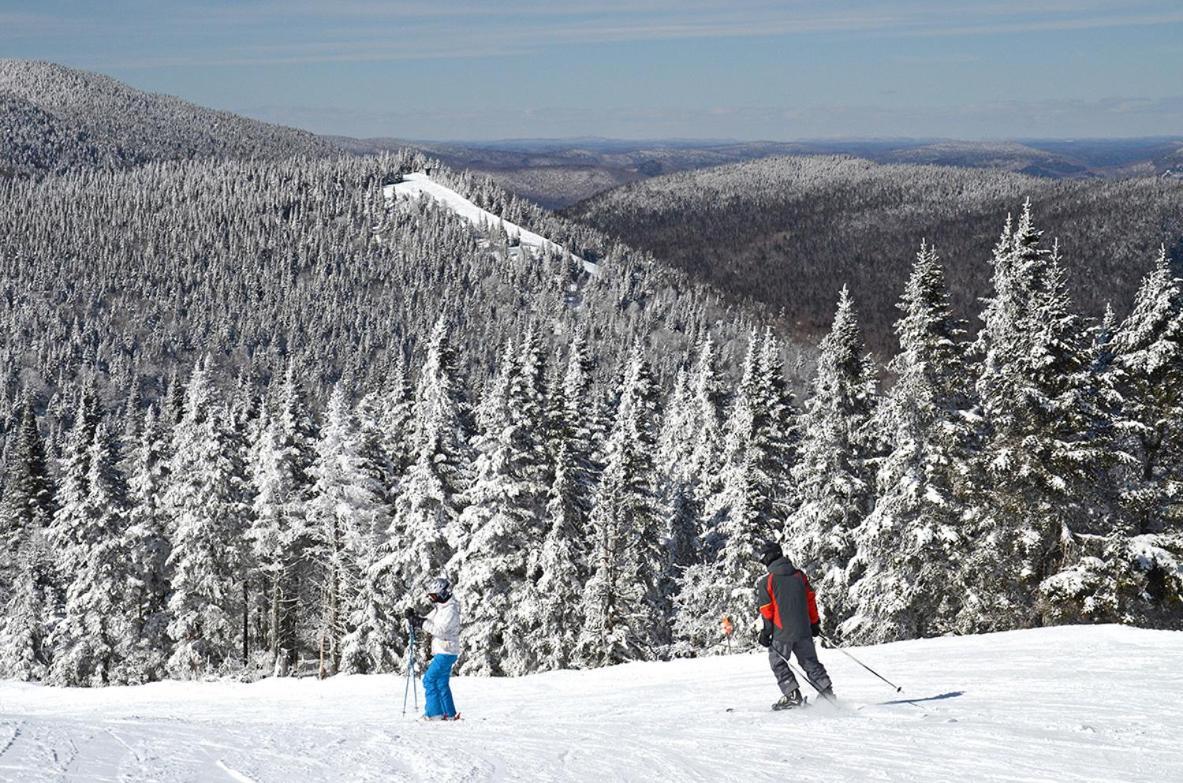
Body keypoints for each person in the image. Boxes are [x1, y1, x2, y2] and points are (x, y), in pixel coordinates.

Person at [755, 541, 835, 710]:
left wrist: (766, 632)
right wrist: (814, 623)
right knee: (810, 661)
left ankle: (792, 695)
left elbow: (767, 610)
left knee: (778, 662)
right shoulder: (800, 576)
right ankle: (826, 691)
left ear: (769, 558)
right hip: (804, 628)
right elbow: (810, 600)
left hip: (781, 631)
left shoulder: (766, 582)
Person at [405, 576, 462, 721]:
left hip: (446, 651)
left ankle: (434, 713)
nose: (432, 599)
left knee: (429, 680)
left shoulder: (450, 610)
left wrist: (420, 622)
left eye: (434, 596)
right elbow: (427, 621)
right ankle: (449, 714)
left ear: (442, 593)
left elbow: (440, 630)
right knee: (441, 682)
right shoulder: (441, 608)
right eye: (431, 596)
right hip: (445, 651)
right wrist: (414, 618)